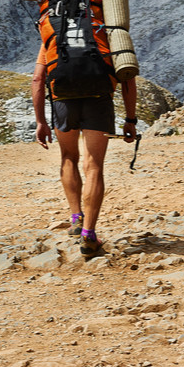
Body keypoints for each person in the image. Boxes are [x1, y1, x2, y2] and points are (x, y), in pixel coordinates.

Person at [33, 43, 137, 259]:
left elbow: (37, 79)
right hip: (99, 99)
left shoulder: (54, 31)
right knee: (94, 166)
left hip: (63, 100)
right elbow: (127, 75)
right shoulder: (104, 31)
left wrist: (40, 121)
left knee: (68, 156)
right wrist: (130, 118)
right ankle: (89, 234)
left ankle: (75, 218)